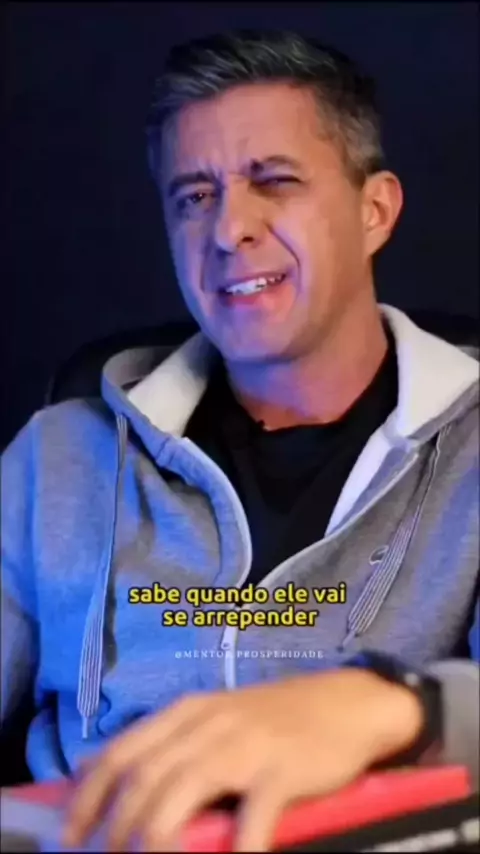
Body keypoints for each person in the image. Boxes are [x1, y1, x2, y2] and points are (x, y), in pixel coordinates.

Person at [2, 28, 479, 853]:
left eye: (274, 181)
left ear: (374, 211)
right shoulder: (58, 458)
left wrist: (397, 706)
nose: (229, 230)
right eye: (194, 196)